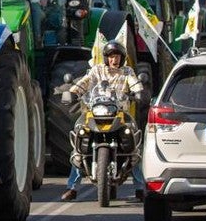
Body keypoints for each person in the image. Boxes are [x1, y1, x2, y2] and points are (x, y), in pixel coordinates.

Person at [60, 41, 148, 201]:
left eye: (117, 56)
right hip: (94, 112)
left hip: (120, 113)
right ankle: (72, 188)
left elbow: (136, 85)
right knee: (78, 145)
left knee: (134, 146)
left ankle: (140, 188)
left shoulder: (127, 72)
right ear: (106, 58)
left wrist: (138, 92)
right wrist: (72, 92)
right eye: (111, 57)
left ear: (122, 58)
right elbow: (83, 83)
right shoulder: (97, 70)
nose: (114, 60)